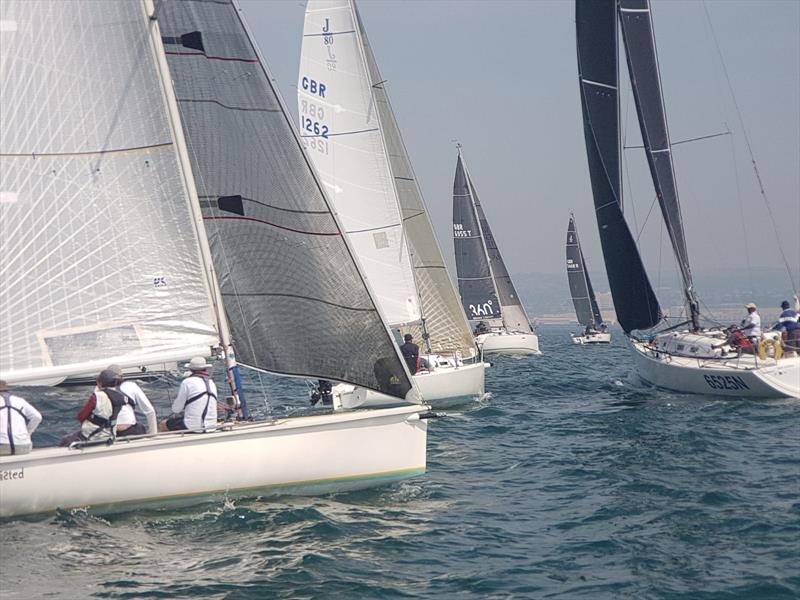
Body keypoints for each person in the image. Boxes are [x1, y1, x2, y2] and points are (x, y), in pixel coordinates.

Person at [60, 369, 131, 446]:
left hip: (92, 435)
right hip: (110, 436)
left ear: (100, 383)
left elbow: (81, 416)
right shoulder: (121, 397)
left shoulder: (96, 397)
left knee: (66, 441)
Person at [160, 357, 217, 432]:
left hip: (192, 426)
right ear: (205, 369)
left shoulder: (187, 382)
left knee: (163, 424)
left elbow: (176, 409)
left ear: (191, 370)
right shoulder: (211, 383)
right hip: (211, 426)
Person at [107, 364, 157, 437]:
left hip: (111, 433)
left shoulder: (101, 390)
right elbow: (150, 411)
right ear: (122, 376)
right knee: (141, 428)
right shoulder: (131, 386)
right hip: (131, 430)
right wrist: (153, 434)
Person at [0, 380, 42, 456]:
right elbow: (37, 417)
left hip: (2, 446)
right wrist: (28, 433)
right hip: (23, 446)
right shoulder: (20, 401)